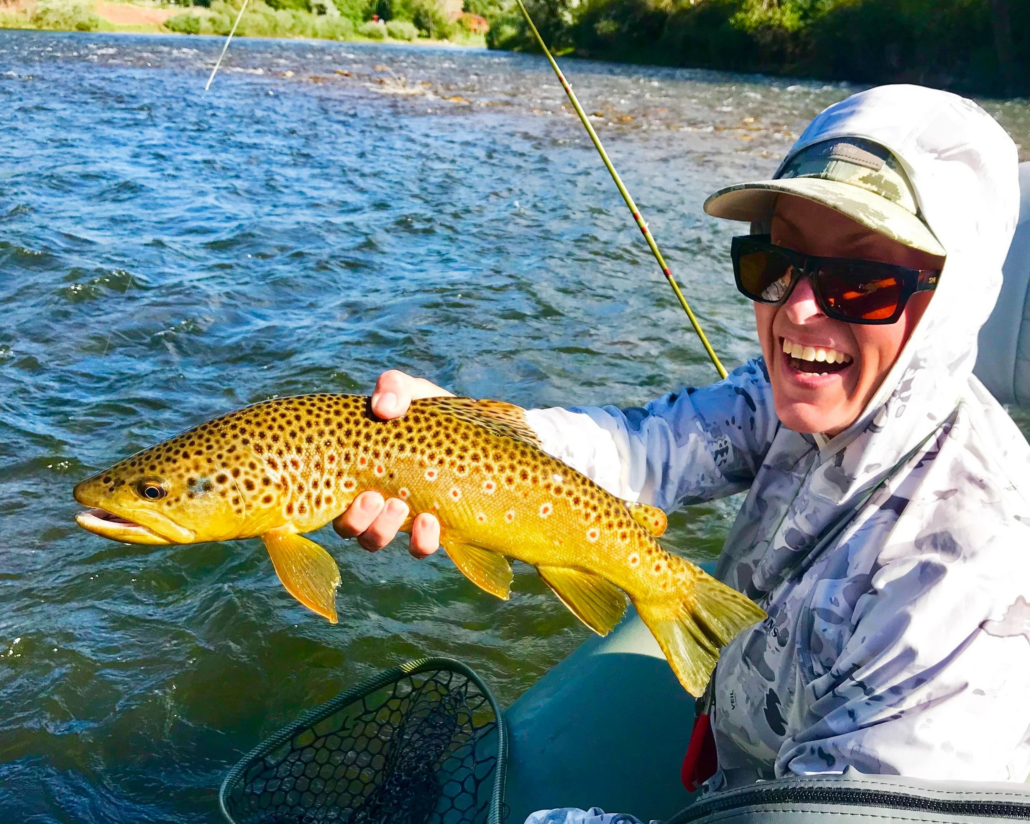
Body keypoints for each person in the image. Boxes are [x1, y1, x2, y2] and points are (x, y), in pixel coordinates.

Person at [334, 84, 1030, 810]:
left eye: (862, 281)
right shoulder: (795, 396)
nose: (795, 307)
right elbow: (646, 449)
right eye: (775, 262)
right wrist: (461, 437)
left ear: (951, 303)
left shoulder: (960, 590)